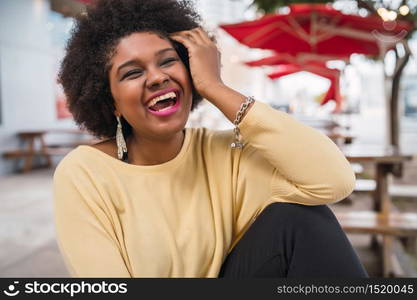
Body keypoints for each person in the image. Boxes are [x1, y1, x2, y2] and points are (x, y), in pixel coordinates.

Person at [53, 0, 367, 278]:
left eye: (167, 61)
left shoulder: (225, 152)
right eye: (132, 73)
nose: (158, 77)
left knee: (301, 216)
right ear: (110, 102)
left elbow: (334, 180)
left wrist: (216, 88)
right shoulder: (84, 174)